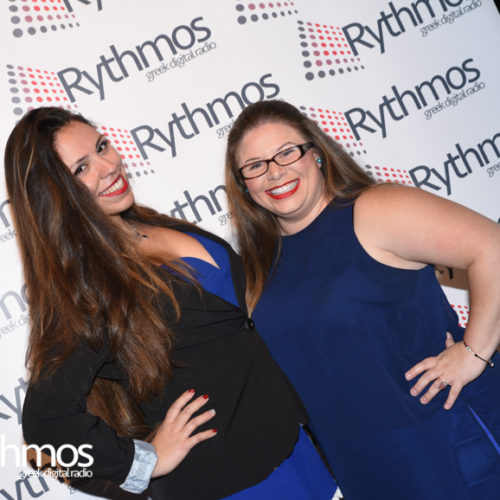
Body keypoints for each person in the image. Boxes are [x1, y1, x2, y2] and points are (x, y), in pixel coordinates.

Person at [4, 106, 339, 500]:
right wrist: (144, 461)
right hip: (233, 485)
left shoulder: (152, 224)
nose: (108, 166)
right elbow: (47, 428)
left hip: (300, 449)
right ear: (55, 195)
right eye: (81, 168)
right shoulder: (87, 289)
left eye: (102, 147)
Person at [224, 99, 500, 500]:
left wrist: (473, 352)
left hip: (447, 441)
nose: (275, 171)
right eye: (255, 165)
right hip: (362, 467)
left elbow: (491, 247)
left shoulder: (373, 209)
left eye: (287, 152)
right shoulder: (258, 269)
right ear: (244, 185)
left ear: (317, 154)